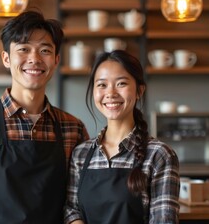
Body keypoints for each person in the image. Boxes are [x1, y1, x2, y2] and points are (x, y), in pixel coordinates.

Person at [0, 9, 90, 224]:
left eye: (45, 50)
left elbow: (76, 203)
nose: (34, 59)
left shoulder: (73, 129)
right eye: (24, 49)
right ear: (6, 58)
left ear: (56, 59)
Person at [64, 50, 180, 224]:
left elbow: (164, 221)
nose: (110, 93)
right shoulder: (81, 153)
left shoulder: (159, 155)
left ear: (139, 91)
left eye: (121, 83)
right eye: (102, 85)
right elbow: (71, 209)